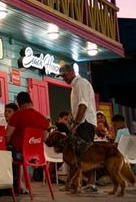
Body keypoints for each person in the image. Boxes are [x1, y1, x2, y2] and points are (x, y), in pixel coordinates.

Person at [59, 64, 98, 193]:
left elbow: (83, 105)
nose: (63, 78)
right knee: (79, 155)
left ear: (71, 72)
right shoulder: (76, 86)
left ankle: (91, 184)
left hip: (84, 123)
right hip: (84, 123)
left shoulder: (80, 83)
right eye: (62, 76)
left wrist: (76, 123)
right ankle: (78, 183)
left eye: (64, 75)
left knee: (86, 154)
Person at [5, 92, 50, 193]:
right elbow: (45, 138)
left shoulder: (17, 116)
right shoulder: (42, 118)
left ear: (18, 104)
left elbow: (7, 136)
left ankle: (8, 186)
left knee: (3, 152)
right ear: (31, 101)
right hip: (37, 156)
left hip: (20, 155)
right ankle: (18, 185)